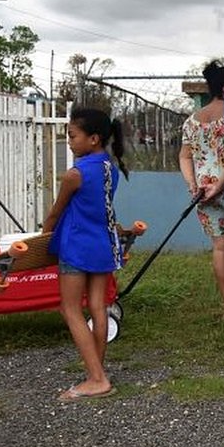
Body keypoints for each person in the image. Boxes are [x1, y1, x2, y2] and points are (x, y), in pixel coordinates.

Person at [43, 108, 129, 400]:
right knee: (96, 307)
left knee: (69, 309)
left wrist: (41, 240)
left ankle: (96, 378)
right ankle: (98, 372)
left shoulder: (75, 175)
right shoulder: (110, 169)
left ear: (93, 139)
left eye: (72, 136)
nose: (69, 141)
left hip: (77, 247)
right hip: (102, 246)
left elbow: (56, 213)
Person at [179, 60, 224, 318]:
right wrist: (221, 183)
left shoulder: (192, 121)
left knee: (220, 248)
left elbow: (184, 156)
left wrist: (192, 183)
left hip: (204, 191)